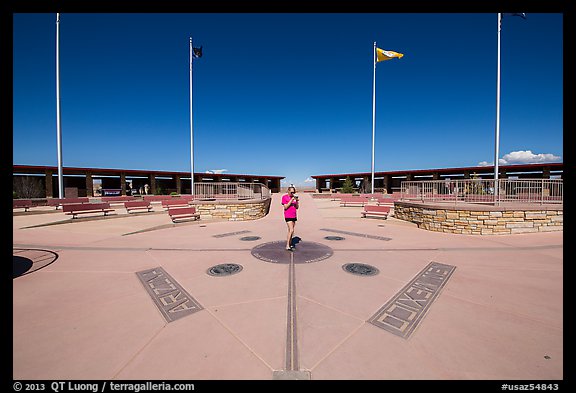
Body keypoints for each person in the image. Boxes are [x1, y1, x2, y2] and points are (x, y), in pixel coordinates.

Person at [282, 186, 299, 251]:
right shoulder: (284, 197)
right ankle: (287, 245)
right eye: (291, 192)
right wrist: (291, 200)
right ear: (288, 191)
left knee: (291, 231)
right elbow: (285, 207)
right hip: (288, 215)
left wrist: (296, 201)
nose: (293, 193)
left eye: (294, 192)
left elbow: (297, 207)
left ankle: (290, 243)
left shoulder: (294, 198)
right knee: (291, 230)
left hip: (294, 215)